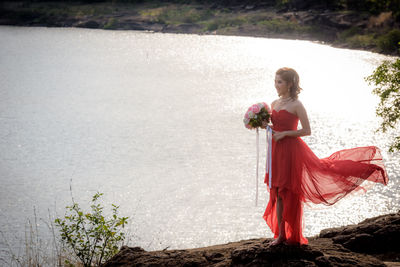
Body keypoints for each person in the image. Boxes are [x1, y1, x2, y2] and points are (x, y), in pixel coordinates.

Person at [262, 67, 388, 246]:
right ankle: (280, 234)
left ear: (290, 84)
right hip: (275, 151)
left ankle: (287, 235)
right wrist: (263, 124)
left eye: (279, 82)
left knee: (287, 192)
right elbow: (274, 127)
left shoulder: (297, 105)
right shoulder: (274, 103)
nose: (276, 85)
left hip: (291, 151)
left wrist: (285, 134)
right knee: (276, 191)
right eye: (275, 81)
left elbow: (306, 131)